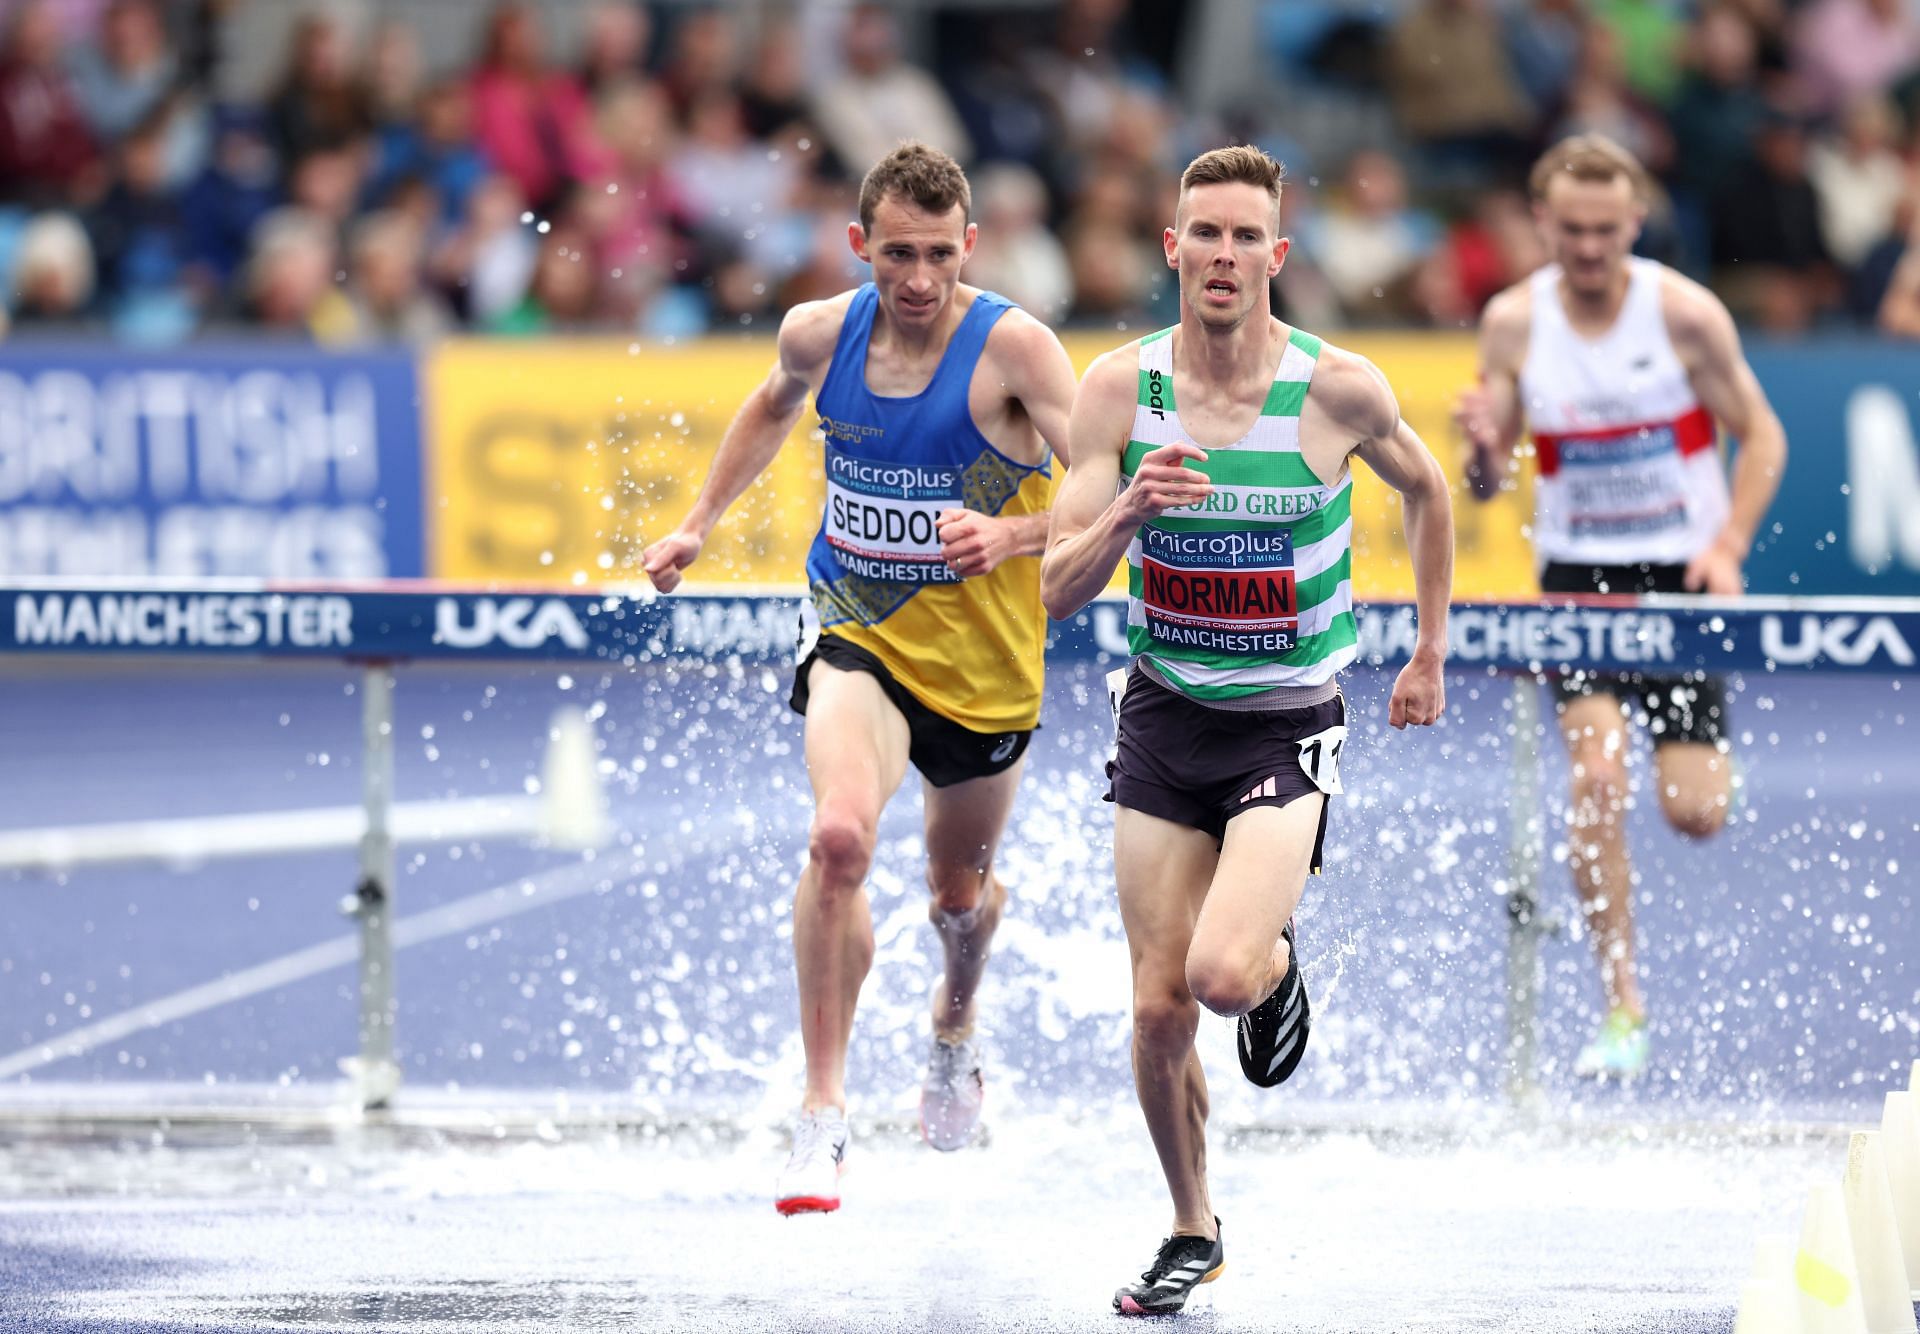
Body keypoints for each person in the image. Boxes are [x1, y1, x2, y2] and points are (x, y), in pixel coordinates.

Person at [1040, 144, 1454, 1316]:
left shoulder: (1339, 390)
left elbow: (1426, 491)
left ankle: (1273, 964)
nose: (1222, 256)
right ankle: (1191, 1223)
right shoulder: (1120, 389)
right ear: (1171, 249)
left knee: (1220, 975)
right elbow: (1057, 589)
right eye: (1201, 234)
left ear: (1277, 256)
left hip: (1285, 720)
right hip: (1165, 711)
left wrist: (1428, 648)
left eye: (1244, 238)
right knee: (1159, 1006)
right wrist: (1131, 505)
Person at [641, 142, 1076, 1213]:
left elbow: (1111, 488)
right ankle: (823, 1112)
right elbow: (772, 404)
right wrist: (699, 520)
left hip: (983, 666)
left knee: (956, 898)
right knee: (838, 838)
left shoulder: (1017, 349)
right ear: (858, 247)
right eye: (896, 256)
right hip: (858, 631)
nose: (918, 280)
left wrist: (1014, 533)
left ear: (971, 246)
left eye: (938, 255)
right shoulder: (818, 331)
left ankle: (952, 1029)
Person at [1455, 133, 1787, 1079]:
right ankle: (1622, 1004)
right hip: (1578, 581)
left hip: (1680, 577)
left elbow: (1762, 437)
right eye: (1572, 230)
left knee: (1694, 813)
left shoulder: (1684, 315)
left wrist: (1727, 548)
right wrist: (1482, 447)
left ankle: (1708, 770)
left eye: (1607, 230)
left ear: (1635, 223)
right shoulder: (1513, 322)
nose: (1591, 249)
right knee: (1596, 777)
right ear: (1542, 222)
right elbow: (1486, 482)